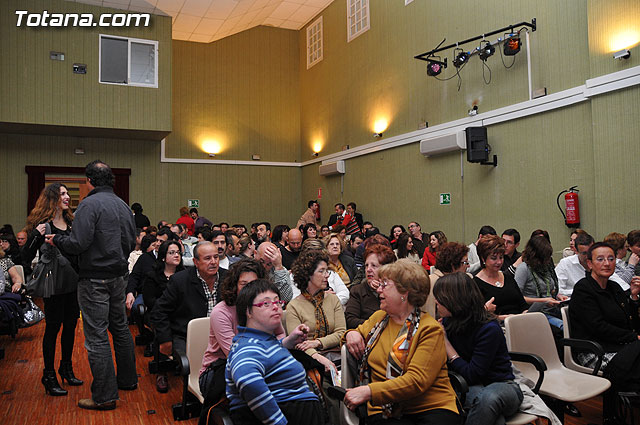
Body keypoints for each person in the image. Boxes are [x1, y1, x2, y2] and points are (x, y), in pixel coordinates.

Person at [45, 160, 137, 411]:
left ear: (89, 181)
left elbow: (78, 244)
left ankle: (104, 396)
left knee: (97, 336)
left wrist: (57, 240)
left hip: (95, 278)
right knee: (120, 328)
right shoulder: (123, 205)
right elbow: (131, 242)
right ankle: (128, 380)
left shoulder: (89, 204)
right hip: (119, 276)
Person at [343, 259, 461, 424]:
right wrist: (351, 333)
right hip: (383, 407)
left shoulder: (429, 329)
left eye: (385, 284)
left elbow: (416, 381)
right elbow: (351, 334)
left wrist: (369, 391)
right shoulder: (379, 319)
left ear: (405, 293)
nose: (379, 289)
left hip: (429, 407)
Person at [225, 279, 323, 425]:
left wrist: (288, 342)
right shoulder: (246, 348)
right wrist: (278, 422)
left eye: (277, 301)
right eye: (266, 303)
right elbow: (247, 381)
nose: (275, 307)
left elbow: (265, 356)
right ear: (248, 312)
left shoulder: (263, 340)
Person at [198, 259, 283, 425]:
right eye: (244, 284)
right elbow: (236, 355)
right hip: (219, 370)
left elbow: (280, 334)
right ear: (234, 286)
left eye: (254, 284)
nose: (250, 290)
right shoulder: (221, 312)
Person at [434, 272, 524, 425]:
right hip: (467, 386)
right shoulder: (448, 322)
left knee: (488, 398)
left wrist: (446, 344)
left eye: (439, 298)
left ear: (454, 300)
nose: (436, 302)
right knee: (493, 416)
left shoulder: (488, 329)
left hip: (502, 385)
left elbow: (472, 374)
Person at [569, 242, 640, 422]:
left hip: (620, 345)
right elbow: (598, 327)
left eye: (611, 259)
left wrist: (633, 297)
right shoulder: (583, 289)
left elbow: (628, 321)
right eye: (600, 259)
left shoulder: (615, 288)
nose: (607, 263)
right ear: (590, 264)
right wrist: (634, 337)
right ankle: (612, 415)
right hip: (595, 349)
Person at [22, 183, 82, 397]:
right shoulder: (43, 226)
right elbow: (25, 257)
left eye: (67, 193)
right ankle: (48, 375)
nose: (67, 197)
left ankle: (66, 368)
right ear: (52, 199)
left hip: (73, 283)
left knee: (70, 327)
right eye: (62, 194)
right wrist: (35, 236)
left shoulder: (72, 224)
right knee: (53, 329)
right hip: (53, 285)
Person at [151, 242, 228, 359]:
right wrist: (165, 340)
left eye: (216, 257)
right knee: (188, 360)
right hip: (186, 335)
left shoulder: (228, 277)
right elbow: (159, 311)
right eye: (207, 258)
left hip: (221, 334)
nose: (213, 262)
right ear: (195, 262)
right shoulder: (179, 280)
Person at [286, 250, 346, 374]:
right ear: (308, 274)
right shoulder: (294, 306)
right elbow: (297, 343)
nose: (327, 275)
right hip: (308, 361)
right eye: (321, 271)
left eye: (327, 271)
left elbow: (341, 332)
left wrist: (317, 342)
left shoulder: (333, 299)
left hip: (337, 356)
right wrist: (318, 358)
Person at [142, 240, 184, 392]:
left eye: (178, 252)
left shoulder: (184, 275)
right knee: (163, 328)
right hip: (157, 314)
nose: (176, 255)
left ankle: (182, 362)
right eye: (172, 253)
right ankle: (161, 372)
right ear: (163, 257)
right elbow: (150, 301)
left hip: (180, 314)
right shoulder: (152, 276)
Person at [515, 230, 567, 329]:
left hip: (551, 310)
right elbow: (518, 298)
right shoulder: (523, 268)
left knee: (574, 321)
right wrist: (544, 301)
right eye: (545, 257)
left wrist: (558, 296)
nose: (547, 260)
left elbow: (549, 289)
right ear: (536, 256)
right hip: (534, 313)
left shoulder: (546, 268)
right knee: (563, 326)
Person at [473, 235, 528, 321]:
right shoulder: (476, 284)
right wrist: (504, 318)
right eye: (494, 258)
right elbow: (478, 316)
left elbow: (523, 305)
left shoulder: (508, 278)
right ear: (483, 259)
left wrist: (525, 314)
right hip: (497, 325)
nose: (499, 262)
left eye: (501, 257)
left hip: (519, 321)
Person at [345, 244, 396, 329]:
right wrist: (378, 325)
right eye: (366, 265)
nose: (368, 269)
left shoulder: (396, 289)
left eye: (374, 266)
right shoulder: (358, 290)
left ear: (386, 268)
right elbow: (350, 321)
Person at [555, 232, 595, 297]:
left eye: (590, 252)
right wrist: (582, 290)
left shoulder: (600, 262)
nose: (588, 256)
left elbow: (613, 280)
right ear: (576, 251)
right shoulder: (565, 264)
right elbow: (558, 290)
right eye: (584, 253)